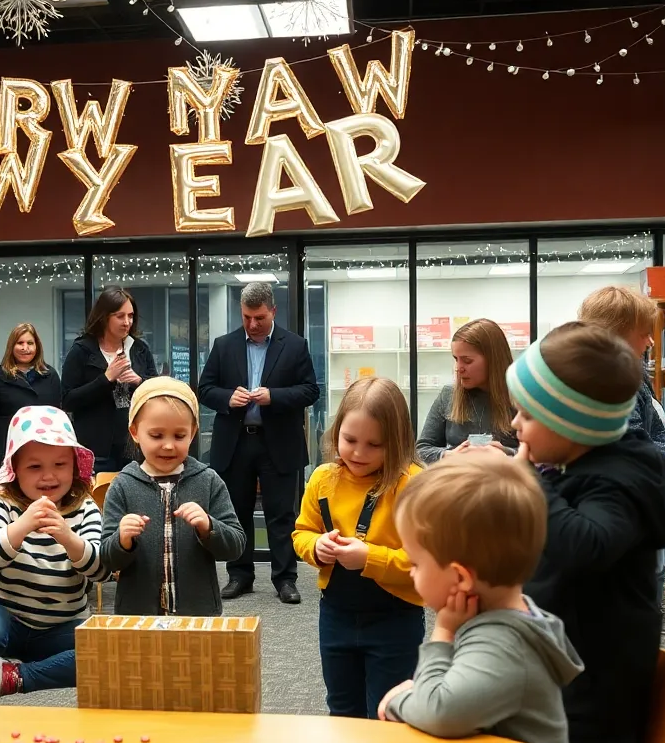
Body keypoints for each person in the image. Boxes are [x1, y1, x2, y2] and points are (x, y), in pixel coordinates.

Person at [506, 322, 665, 743]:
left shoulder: (620, 478)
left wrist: (530, 480)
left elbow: (585, 546)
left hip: (592, 694)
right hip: (566, 673)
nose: (515, 425)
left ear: (572, 423)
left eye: (527, 415)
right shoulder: (583, 465)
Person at [377, 454, 583, 743]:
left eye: (415, 563)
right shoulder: (504, 620)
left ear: (460, 578)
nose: (410, 572)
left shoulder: (504, 643)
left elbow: (440, 712)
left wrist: (403, 696)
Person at [291, 376, 425, 718]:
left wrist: (370, 558)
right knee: (341, 709)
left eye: (374, 445)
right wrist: (316, 546)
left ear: (396, 441)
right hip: (336, 614)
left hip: (395, 619)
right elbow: (302, 532)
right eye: (349, 440)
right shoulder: (323, 478)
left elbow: (426, 564)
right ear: (336, 430)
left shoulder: (413, 485)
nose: (358, 453)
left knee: (387, 711)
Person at [0, 405, 109, 705]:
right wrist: (21, 526)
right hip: (3, 615)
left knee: (107, 652)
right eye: (34, 467)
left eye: (60, 464)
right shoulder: (2, 502)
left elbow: (101, 570)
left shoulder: (85, 508)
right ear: (15, 470)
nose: (48, 476)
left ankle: (16, 678)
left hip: (62, 625)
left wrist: (68, 537)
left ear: (74, 466)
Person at [577, 285, 665, 640]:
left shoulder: (633, 373)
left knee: (650, 570)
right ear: (615, 335)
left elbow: (654, 430)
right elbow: (622, 444)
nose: (650, 342)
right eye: (643, 333)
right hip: (625, 498)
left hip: (644, 492)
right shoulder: (610, 381)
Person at [198, 282, 319, 604]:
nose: (252, 324)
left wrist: (273, 396)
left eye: (260, 318)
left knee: (281, 515)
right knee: (236, 513)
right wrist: (228, 398)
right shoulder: (224, 346)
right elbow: (205, 389)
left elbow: (310, 390)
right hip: (236, 443)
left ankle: (285, 579)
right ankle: (240, 576)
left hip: (278, 441)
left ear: (273, 311)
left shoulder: (294, 346)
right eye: (247, 317)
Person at [99, 377, 245, 615]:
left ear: (192, 433)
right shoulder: (123, 485)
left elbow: (235, 547)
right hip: (139, 618)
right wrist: (123, 540)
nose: (168, 445)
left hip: (198, 616)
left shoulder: (208, 481)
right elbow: (107, 559)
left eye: (179, 436)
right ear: (135, 432)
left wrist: (209, 527)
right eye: (156, 435)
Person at [60, 286, 157, 473]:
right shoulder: (82, 350)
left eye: (131, 316)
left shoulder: (139, 348)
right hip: (96, 448)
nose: (127, 322)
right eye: (120, 316)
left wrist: (139, 381)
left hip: (135, 446)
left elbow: (156, 391)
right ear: (104, 317)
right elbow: (68, 400)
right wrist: (106, 379)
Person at [416, 318, 519, 463]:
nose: (459, 368)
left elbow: (541, 455)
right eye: (456, 359)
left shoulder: (521, 397)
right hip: (457, 476)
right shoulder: (448, 395)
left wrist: (508, 454)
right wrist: (449, 455)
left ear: (493, 360)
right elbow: (421, 450)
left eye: (467, 360)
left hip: (504, 476)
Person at [0, 322, 62, 470]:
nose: (25, 348)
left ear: (37, 347)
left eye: (30, 343)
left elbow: (57, 417)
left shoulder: (50, 375)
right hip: (7, 450)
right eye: (20, 343)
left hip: (43, 449)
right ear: (11, 346)